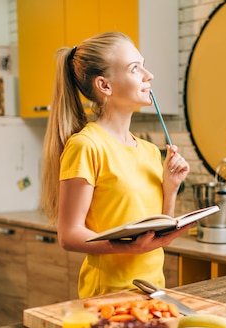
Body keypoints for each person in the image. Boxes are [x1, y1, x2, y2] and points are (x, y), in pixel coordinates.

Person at [40, 32, 190, 298]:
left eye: (143, 64)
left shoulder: (147, 150)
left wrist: (171, 187)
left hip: (154, 289)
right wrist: (128, 248)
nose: (148, 75)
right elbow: (69, 235)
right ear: (104, 85)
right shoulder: (86, 146)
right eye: (135, 68)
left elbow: (156, 231)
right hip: (107, 295)